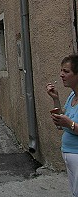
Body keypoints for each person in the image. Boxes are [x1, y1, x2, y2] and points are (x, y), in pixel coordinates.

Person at [47, 54, 78, 197]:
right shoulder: (72, 96)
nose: (61, 75)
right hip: (68, 153)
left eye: (66, 71)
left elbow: (69, 123)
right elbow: (63, 123)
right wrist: (55, 99)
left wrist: (70, 124)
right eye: (61, 71)